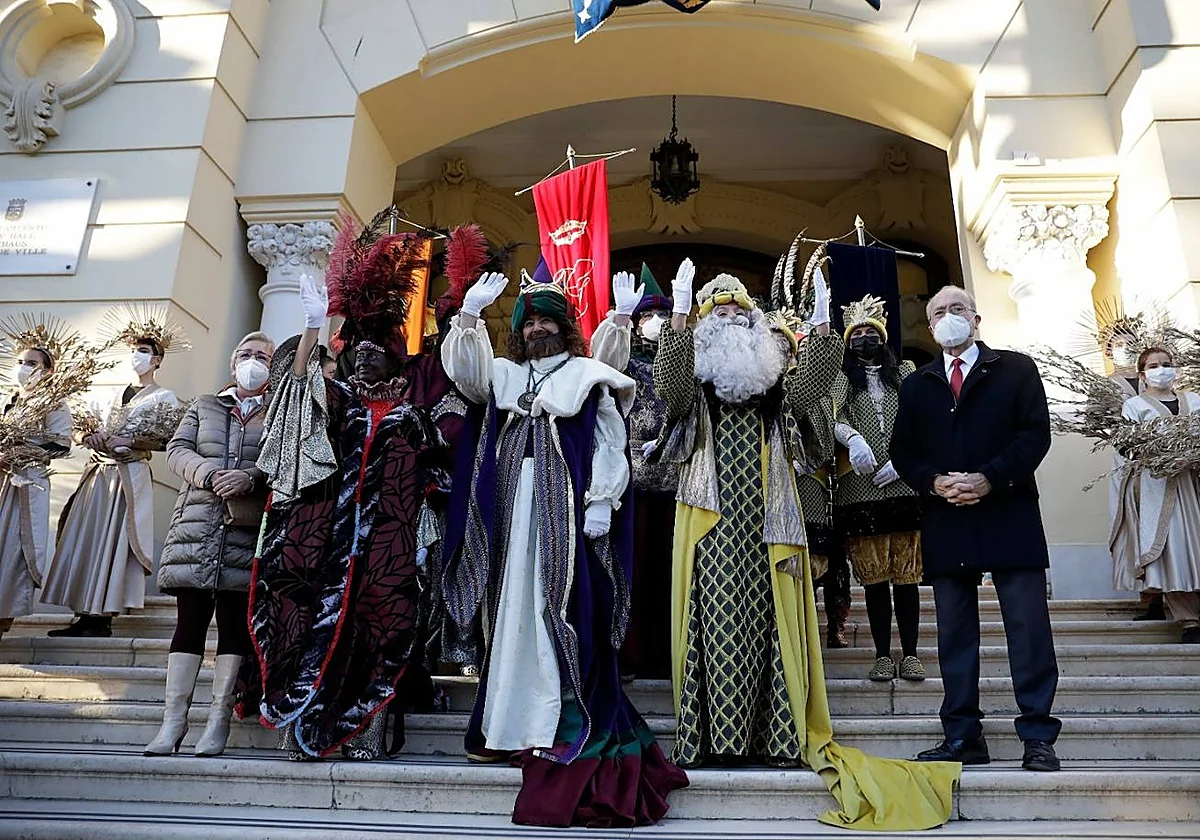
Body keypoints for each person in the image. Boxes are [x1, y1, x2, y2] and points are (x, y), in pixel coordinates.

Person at [654, 263, 958, 830]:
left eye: (738, 312)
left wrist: (821, 324)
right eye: (715, 312)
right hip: (710, 520)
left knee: (772, 623)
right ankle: (714, 736)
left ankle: (776, 733)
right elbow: (668, 393)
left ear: (754, 323)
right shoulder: (693, 377)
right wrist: (674, 313)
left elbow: (816, 390)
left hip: (772, 519)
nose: (728, 318)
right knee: (716, 620)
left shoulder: (775, 378)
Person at [439, 264, 687, 827]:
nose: (537, 331)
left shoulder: (586, 373)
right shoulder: (503, 374)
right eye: (529, 324)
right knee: (510, 612)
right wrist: (471, 314)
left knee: (562, 609)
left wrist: (602, 499)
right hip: (510, 514)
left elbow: (608, 435)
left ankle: (560, 718)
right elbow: (470, 378)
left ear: (565, 328)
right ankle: (508, 724)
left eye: (548, 322)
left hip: (565, 515)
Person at [247, 220, 448, 762]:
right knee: (307, 620)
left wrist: (422, 539)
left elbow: (432, 484)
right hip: (324, 540)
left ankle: (365, 728)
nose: (361, 356)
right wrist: (314, 329)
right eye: (355, 349)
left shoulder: (414, 417)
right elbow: (294, 394)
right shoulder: (335, 405)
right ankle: (300, 716)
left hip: (387, 546)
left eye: (373, 349)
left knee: (380, 628)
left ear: (395, 356)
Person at [890, 285, 1061, 772]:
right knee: (955, 634)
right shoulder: (917, 383)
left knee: (1028, 630)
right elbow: (904, 451)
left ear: (976, 317)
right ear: (929, 326)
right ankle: (963, 735)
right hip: (947, 518)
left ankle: (1037, 736)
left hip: (1009, 513)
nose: (948, 316)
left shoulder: (1016, 368)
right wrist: (935, 482)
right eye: (938, 311)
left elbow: (1035, 435)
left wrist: (990, 478)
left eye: (956, 308)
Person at [143, 331, 274, 757]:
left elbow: (278, 458)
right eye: (246, 354)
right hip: (198, 525)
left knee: (234, 627)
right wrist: (208, 473)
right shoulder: (205, 404)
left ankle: (216, 722)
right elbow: (177, 449)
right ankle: (172, 723)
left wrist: (251, 477)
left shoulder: (279, 413)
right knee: (189, 623)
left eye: (262, 356)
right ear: (233, 361)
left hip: (244, 529)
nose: (252, 361)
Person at [43, 307, 189, 637]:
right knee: (89, 538)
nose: (137, 356)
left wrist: (133, 439)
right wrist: (88, 436)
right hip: (98, 475)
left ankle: (103, 616)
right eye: (134, 350)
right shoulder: (110, 392)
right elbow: (78, 429)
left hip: (129, 477)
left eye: (145, 352)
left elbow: (168, 439)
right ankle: (83, 611)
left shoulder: (165, 398)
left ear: (157, 360)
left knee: (115, 542)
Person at [832, 295, 924, 682]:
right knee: (874, 577)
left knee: (906, 576)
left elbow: (924, 418)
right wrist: (852, 438)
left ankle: (911, 653)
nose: (865, 338)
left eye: (872, 333)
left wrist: (904, 459)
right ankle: (883, 653)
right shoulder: (840, 378)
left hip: (903, 485)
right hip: (860, 487)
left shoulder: (904, 371)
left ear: (883, 338)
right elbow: (830, 417)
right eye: (858, 333)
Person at [1110, 347, 1200, 644]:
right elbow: (1128, 446)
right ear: (1142, 374)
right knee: (1170, 544)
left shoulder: (1194, 400)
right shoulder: (1135, 406)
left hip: (1191, 482)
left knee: (1193, 545)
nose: (1161, 369)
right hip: (1155, 487)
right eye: (1153, 365)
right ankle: (1188, 619)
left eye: (1166, 364)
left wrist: (1189, 457)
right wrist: (1161, 457)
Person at [617, 262, 677, 680]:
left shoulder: (678, 363)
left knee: (669, 574)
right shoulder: (626, 365)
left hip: (675, 480)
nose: (653, 323)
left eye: (661, 316)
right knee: (632, 572)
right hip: (632, 482)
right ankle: (631, 654)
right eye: (647, 317)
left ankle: (668, 654)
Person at [0, 319, 76, 638]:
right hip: (2, 481)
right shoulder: (9, 400)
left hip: (26, 485)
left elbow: (60, 443)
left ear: (46, 370)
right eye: (20, 362)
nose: (23, 367)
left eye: (31, 363)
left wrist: (19, 449)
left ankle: (3, 619)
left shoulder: (54, 402)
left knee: (13, 550)